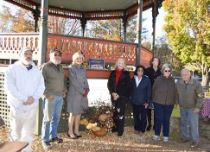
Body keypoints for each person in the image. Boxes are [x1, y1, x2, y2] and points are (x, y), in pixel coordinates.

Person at [4, 47, 45, 152]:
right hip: (17, 106)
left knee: (28, 132)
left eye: (30, 54)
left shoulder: (36, 70)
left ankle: (27, 150)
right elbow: (10, 87)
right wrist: (24, 98)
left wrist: (34, 98)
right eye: (25, 53)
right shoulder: (12, 69)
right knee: (16, 132)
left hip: (31, 107)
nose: (28, 55)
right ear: (20, 55)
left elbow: (41, 86)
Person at [41, 48, 66, 150]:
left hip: (60, 97)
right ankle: (45, 140)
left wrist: (64, 90)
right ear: (50, 56)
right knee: (47, 119)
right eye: (55, 54)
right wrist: (46, 95)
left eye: (59, 55)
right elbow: (39, 83)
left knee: (56, 118)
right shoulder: (45, 67)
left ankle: (53, 136)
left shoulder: (60, 67)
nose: (57, 56)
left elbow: (62, 81)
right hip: (50, 97)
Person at [176, 68, 203, 148]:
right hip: (182, 107)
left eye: (186, 74)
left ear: (190, 74)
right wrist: (177, 103)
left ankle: (195, 141)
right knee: (183, 123)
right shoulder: (178, 83)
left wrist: (198, 107)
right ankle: (185, 137)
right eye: (182, 75)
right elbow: (176, 94)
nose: (184, 76)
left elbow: (200, 96)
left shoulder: (196, 83)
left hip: (193, 108)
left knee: (193, 124)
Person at [152, 63, 177, 142]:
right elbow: (153, 90)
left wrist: (175, 103)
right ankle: (157, 134)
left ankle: (166, 135)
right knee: (159, 119)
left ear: (170, 71)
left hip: (169, 104)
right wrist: (153, 100)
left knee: (166, 119)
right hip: (158, 103)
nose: (167, 72)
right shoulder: (158, 79)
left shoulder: (173, 80)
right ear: (163, 71)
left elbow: (176, 92)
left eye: (169, 70)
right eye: (165, 70)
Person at [67, 52, 89, 139]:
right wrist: (82, 91)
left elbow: (85, 80)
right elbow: (74, 82)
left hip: (83, 94)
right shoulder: (71, 68)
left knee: (79, 113)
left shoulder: (83, 68)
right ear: (74, 59)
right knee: (73, 113)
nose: (79, 60)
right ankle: (70, 131)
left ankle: (76, 130)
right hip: (74, 93)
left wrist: (87, 89)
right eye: (77, 58)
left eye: (81, 58)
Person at [107, 58, 130, 136]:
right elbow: (109, 84)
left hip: (122, 97)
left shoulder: (126, 74)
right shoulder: (112, 73)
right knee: (115, 112)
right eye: (119, 62)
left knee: (120, 113)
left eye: (122, 63)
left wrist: (118, 95)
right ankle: (115, 128)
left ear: (124, 65)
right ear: (117, 63)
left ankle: (120, 130)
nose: (120, 64)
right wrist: (113, 93)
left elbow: (127, 87)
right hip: (113, 96)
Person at [129, 65, 151, 134]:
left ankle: (142, 129)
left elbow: (149, 91)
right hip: (135, 101)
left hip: (143, 102)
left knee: (143, 117)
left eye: (142, 71)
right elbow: (131, 89)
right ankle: (136, 128)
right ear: (137, 71)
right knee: (136, 116)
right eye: (139, 70)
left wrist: (147, 102)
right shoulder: (133, 79)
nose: (140, 72)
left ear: (143, 72)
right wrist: (131, 98)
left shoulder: (147, 79)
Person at [145, 57, 161, 131]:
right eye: (154, 60)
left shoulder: (160, 72)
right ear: (152, 62)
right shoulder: (147, 70)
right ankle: (149, 124)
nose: (156, 62)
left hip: (157, 93)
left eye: (157, 61)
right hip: (148, 92)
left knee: (156, 110)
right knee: (148, 109)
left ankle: (155, 125)